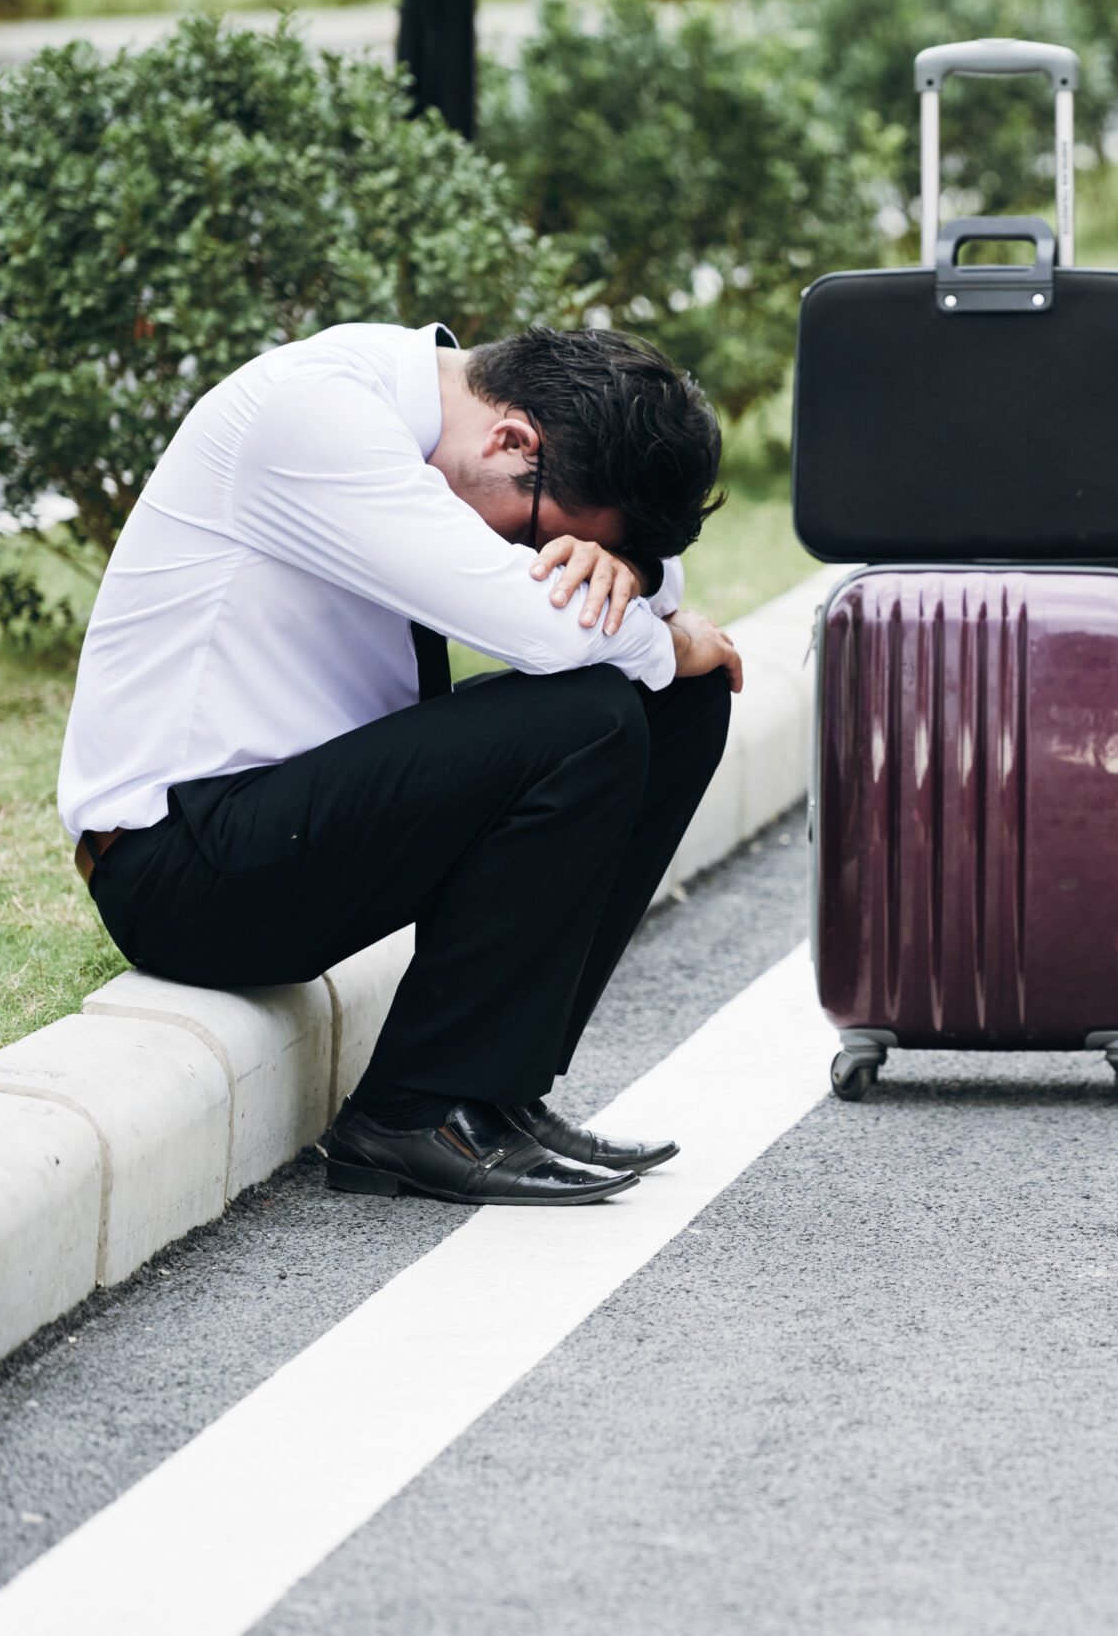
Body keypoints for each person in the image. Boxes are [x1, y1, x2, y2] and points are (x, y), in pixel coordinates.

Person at [59, 322, 745, 1208]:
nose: (539, 558)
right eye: (545, 537)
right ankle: (408, 1114)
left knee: (678, 708)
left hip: (300, 826)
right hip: (181, 867)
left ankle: (489, 1094)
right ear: (513, 443)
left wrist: (635, 581)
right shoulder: (317, 418)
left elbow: (633, 593)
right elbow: (544, 629)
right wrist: (666, 638)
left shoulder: (459, 421)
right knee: (593, 713)